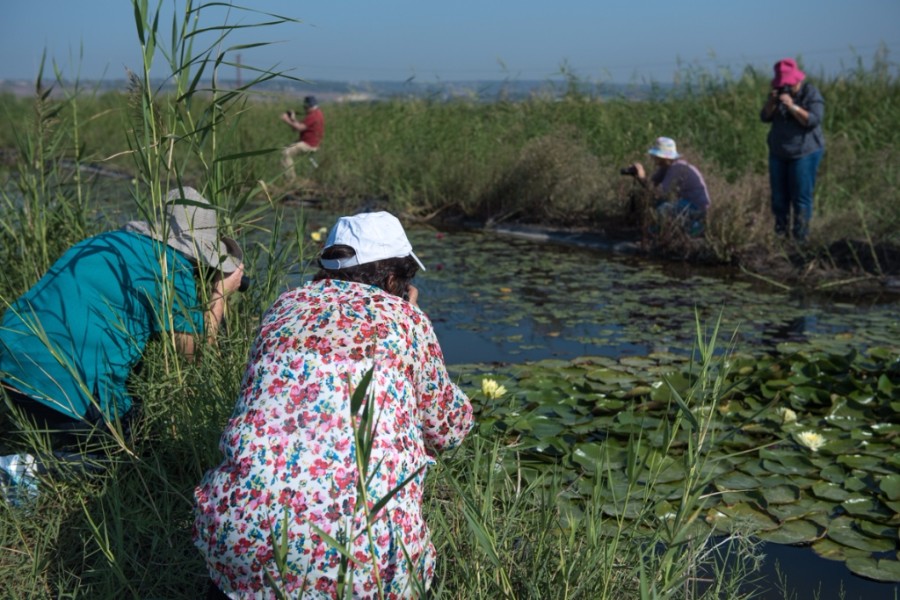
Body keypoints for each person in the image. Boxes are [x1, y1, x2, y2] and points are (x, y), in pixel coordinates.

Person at [193, 211, 473, 598]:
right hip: (366, 565)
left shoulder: (283, 308)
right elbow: (449, 429)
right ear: (394, 279)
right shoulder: (407, 321)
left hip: (241, 538)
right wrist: (412, 317)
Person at [0, 187, 245, 466]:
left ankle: (48, 441)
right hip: (68, 386)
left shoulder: (105, 242)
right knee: (138, 456)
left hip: (11, 371)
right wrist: (220, 294)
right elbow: (196, 355)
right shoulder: (172, 266)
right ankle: (33, 471)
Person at [760, 58, 825, 242]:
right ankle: (780, 235)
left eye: (788, 84)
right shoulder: (778, 95)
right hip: (779, 152)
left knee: (800, 198)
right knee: (779, 198)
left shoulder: (810, 93)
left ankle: (800, 239)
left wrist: (792, 106)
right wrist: (772, 102)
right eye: (782, 84)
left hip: (804, 152)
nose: (786, 87)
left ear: (797, 79)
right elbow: (764, 117)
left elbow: (812, 120)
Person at [625, 136, 711, 235]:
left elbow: (658, 193)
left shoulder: (677, 168)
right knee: (659, 203)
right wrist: (638, 175)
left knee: (664, 207)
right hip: (686, 204)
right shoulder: (666, 167)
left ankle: (660, 233)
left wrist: (642, 177)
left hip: (697, 208)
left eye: (655, 156)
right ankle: (658, 229)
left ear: (662, 157)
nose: (653, 158)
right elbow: (651, 185)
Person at [280, 95, 325, 183]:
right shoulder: (316, 113)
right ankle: (290, 179)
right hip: (309, 143)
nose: (304, 109)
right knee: (285, 149)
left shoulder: (313, 115)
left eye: (305, 107)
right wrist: (292, 119)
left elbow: (299, 128)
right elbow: (297, 127)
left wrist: (286, 120)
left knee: (286, 153)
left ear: (308, 106)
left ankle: (290, 180)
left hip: (309, 144)